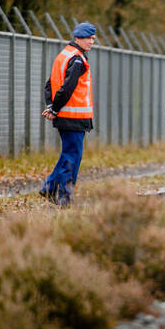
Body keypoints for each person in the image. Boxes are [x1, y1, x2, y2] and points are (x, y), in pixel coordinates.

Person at [39, 22, 97, 206]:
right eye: (88, 38)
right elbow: (67, 87)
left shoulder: (63, 55)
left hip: (66, 116)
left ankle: (49, 188)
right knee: (73, 156)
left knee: (67, 154)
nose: (91, 42)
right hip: (73, 118)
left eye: (93, 39)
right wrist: (54, 108)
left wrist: (51, 106)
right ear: (78, 38)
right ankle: (65, 197)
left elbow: (50, 84)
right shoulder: (77, 59)